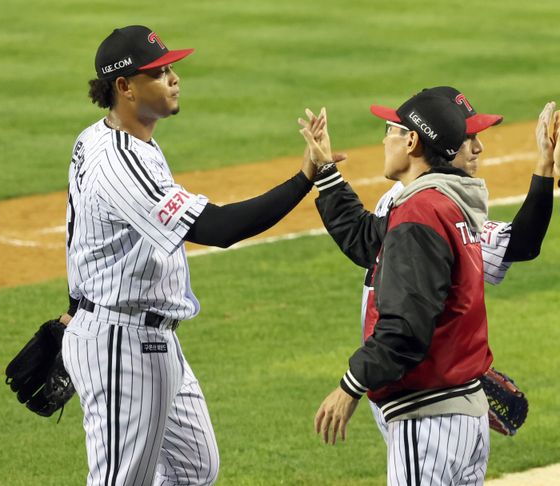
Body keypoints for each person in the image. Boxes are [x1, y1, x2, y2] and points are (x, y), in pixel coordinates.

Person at [61, 25, 327, 486]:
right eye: (158, 72)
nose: (174, 78)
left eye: (171, 68)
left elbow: (82, 234)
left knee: (194, 467)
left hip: (147, 335)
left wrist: (75, 306)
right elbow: (219, 228)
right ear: (124, 87)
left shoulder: (108, 138)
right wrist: (305, 177)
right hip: (120, 342)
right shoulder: (117, 161)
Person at [299, 87, 528, 485]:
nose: (384, 141)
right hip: (461, 415)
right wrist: (326, 172)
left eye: (391, 132)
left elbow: (404, 326)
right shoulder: (443, 203)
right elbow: (368, 240)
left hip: (430, 419)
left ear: (411, 141)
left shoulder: (419, 214)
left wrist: (350, 387)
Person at [359, 90, 555, 442]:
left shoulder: (432, 203)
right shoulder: (420, 205)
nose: (478, 148)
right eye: (468, 138)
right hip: (413, 388)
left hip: (408, 382)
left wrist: (544, 168)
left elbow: (520, 245)